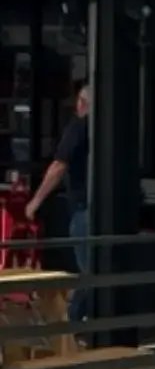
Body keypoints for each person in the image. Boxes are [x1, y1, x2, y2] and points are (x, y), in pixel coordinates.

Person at [26, 84, 90, 321]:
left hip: (83, 207)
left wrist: (35, 201)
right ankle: (82, 323)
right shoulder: (106, 128)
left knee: (89, 270)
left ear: (81, 103)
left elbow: (58, 166)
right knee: (96, 268)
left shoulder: (78, 127)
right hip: (101, 205)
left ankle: (72, 323)